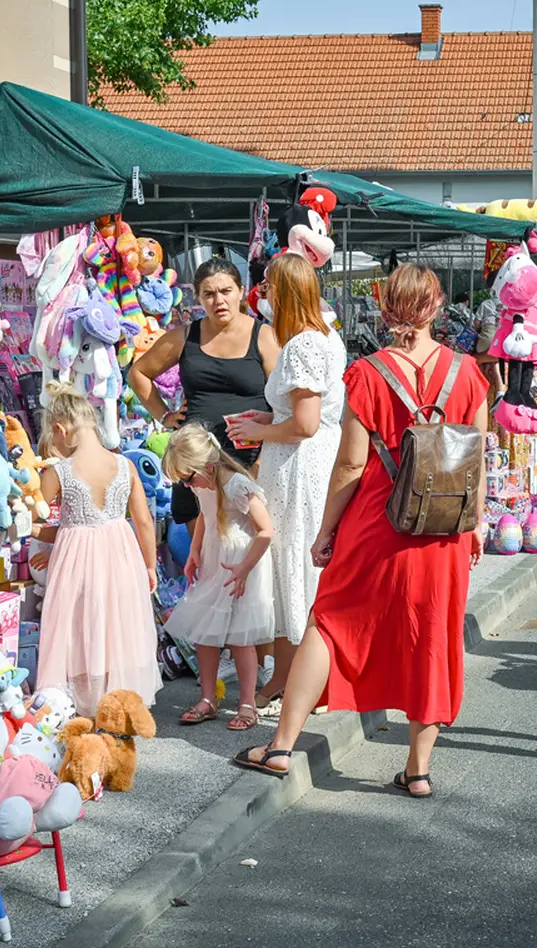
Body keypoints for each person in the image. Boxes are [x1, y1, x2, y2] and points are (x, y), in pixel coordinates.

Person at [231, 265, 488, 799]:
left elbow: (349, 466)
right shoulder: (469, 374)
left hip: (377, 522)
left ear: (386, 309)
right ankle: (417, 770)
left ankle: (281, 746)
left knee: (329, 620)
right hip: (444, 532)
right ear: (437, 308)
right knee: (433, 635)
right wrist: (478, 521)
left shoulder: (369, 373)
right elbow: (477, 459)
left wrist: (326, 531)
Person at [225, 253, 348, 709]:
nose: (264, 296)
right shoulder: (325, 337)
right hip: (307, 461)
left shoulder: (301, 345)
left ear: (284, 292)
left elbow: (306, 423)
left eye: (269, 288)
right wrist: (266, 416)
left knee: (292, 565)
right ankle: (296, 676)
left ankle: (292, 677)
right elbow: (304, 415)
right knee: (295, 565)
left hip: (299, 465)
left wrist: (260, 430)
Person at [33, 383, 163, 716]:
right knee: (115, 627)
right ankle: (117, 703)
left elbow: (35, 517)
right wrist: (149, 566)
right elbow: (144, 522)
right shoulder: (124, 466)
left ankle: (82, 705)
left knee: (78, 628)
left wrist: (37, 531)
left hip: (76, 562)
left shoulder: (58, 472)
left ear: (61, 430)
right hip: (121, 555)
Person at [128, 258, 280, 520]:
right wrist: (165, 416)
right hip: (194, 461)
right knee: (202, 550)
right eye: (209, 294)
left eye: (226, 291)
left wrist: (262, 461)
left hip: (250, 457)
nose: (218, 301)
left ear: (241, 291)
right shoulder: (185, 336)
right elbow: (138, 373)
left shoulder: (265, 336)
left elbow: (282, 404)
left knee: (249, 547)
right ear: (198, 297)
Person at [162, 425, 275, 730]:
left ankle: (248, 702)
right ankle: (208, 698)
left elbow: (266, 531)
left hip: (241, 564)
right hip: (215, 560)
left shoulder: (237, 485)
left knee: (241, 637)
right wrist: (195, 551)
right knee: (205, 632)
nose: (186, 485)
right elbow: (204, 517)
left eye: (188, 478)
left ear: (207, 466)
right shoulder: (202, 484)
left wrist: (244, 568)